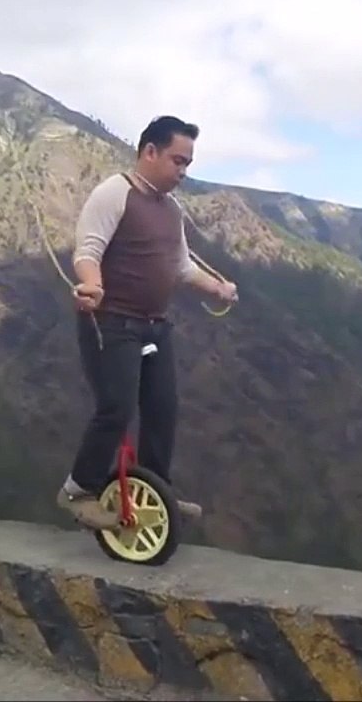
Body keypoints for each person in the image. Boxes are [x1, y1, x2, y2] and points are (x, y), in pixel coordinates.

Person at [56, 115, 239, 530]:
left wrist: (217, 289)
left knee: (162, 410)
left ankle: (157, 490)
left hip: (155, 324)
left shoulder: (170, 209)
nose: (183, 171)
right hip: (112, 322)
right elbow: (87, 250)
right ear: (149, 152)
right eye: (178, 160)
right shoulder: (114, 193)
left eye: (187, 163)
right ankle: (77, 491)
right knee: (116, 408)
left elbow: (179, 267)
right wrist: (93, 285)